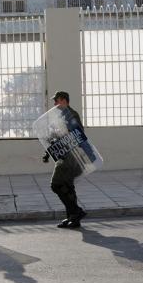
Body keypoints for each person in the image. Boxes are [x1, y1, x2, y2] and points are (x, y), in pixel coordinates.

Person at [42, 92, 88, 229]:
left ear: (63, 100)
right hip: (62, 155)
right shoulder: (59, 117)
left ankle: (76, 212)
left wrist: (66, 132)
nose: (55, 104)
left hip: (71, 157)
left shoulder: (71, 115)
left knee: (56, 185)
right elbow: (54, 137)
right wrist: (47, 152)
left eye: (56, 101)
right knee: (68, 187)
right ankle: (73, 218)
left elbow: (79, 134)